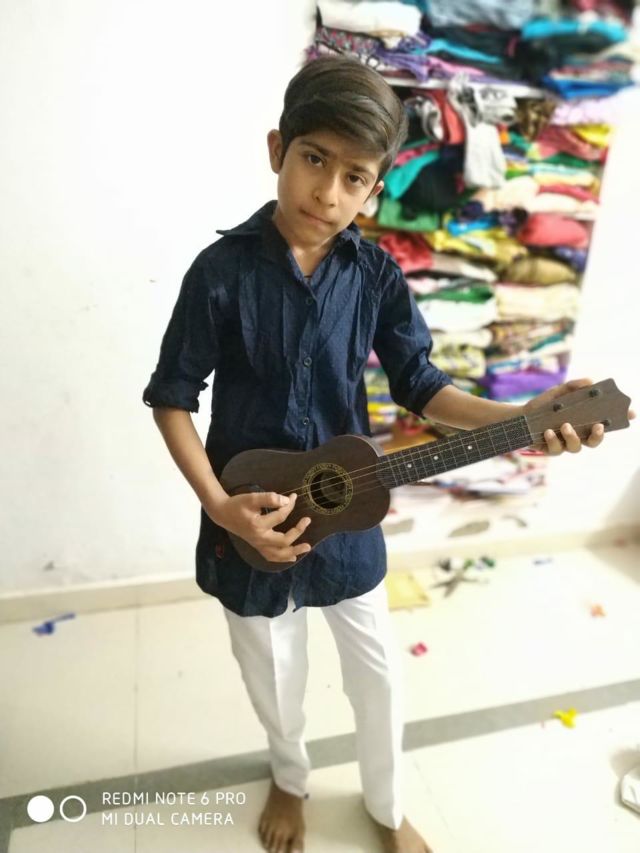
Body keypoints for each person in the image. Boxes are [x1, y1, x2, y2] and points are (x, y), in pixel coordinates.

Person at [142, 56, 630, 853]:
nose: (328, 192)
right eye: (314, 159)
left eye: (355, 177)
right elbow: (172, 397)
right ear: (278, 149)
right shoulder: (219, 275)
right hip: (249, 525)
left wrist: (523, 415)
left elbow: (423, 386)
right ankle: (290, 777)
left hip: (348, 520)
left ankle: (387, 802)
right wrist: (219, 505)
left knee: (378, 679)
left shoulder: (375, 275)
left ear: (375, 189)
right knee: (275, 677)